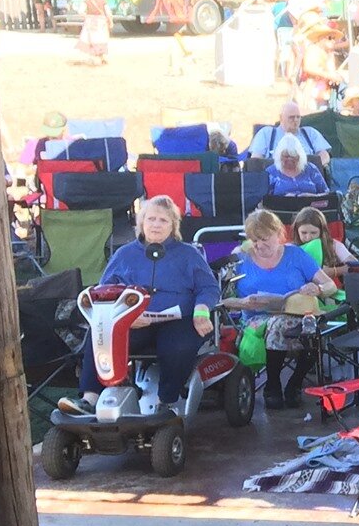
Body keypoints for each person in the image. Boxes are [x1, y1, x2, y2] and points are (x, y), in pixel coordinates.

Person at [56, 196, 218, 419]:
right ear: (141, 223)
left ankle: (166, 402)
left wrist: (201, 312)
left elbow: (209, 287)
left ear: (173, 226)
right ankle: (89, 399)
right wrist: (124, 316)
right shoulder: (124, 254)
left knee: (178, 346)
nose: (156, 225)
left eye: (163, 220)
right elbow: (105, 292)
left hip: (178, 321)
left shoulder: (188, 254)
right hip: (133, 320)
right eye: (151, 219)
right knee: (100, 333)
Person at [231, 208, 339, 410]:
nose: (260, 245)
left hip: (297, 315)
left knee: (313, 331)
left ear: (278, 233)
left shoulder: (295, 255)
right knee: (276, 325)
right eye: (254, 240)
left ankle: (294, 383)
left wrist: (318, 288)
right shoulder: (241, 259)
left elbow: (330, 286)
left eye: (265, 239)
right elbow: (225, 298)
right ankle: (273, 385)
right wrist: (244, 303)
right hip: (256, 319)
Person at [248, 101, 331, 165]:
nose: (296, 120)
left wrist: (313, 167)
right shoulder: (266, 133)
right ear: (281, 118)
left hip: (307, 179)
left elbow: (325, 155)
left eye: (298, 117)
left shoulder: (310, 133)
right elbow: (255, 161)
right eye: (291, 117)